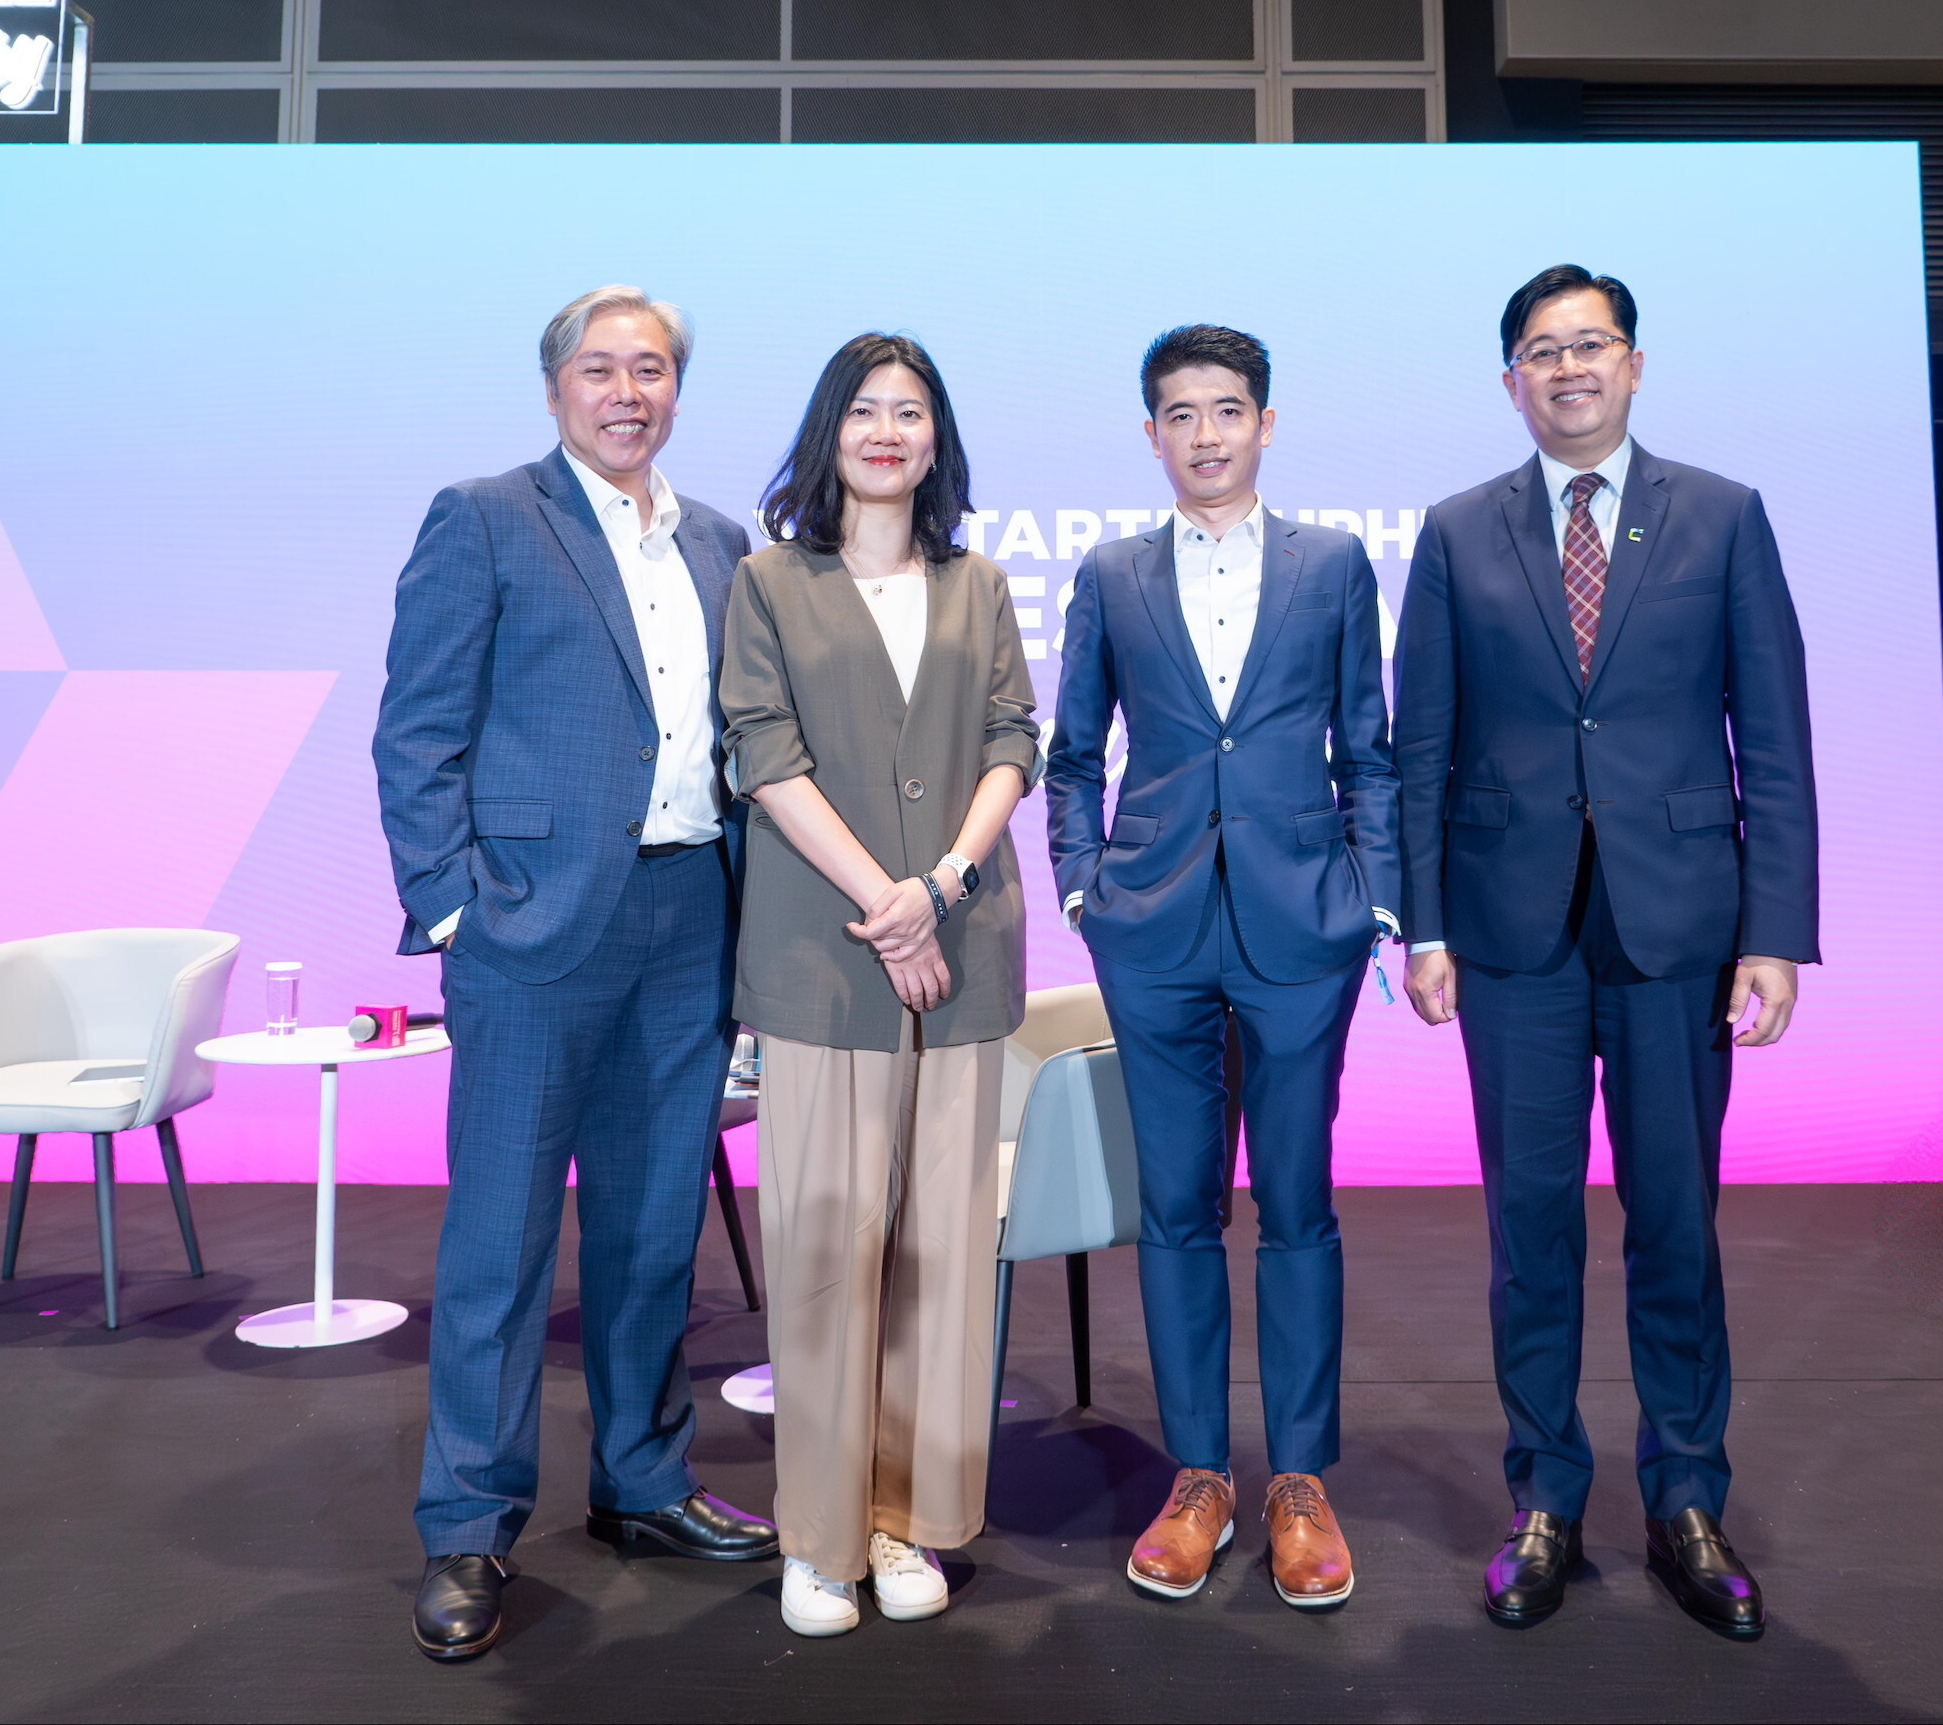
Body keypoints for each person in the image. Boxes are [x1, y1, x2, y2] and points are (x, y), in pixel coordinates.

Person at [1393, 265, 1818, 1637]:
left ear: (1633, 364)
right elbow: (1420, 748)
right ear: (1509, 380)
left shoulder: (1723, 515)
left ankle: (1687, 1497)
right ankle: (1544, 1498)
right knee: (1528, 1231)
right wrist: (1424, 923)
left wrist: (1776, 934)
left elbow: (1776, 739)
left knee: (1675, 1223)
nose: (1567, 367)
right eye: (1541, 349)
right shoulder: (1457, 531)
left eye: (1590, 344)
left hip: (1677, 929)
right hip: (1509, 936)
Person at [374, 285, 777, 1664]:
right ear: (555, 390)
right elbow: (416, 730)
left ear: (677, 390)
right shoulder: (485, 516)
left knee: (654, 1228)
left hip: (689, 917)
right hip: (530, 931)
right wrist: (450, 912)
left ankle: (644, 1481)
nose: (625, 392)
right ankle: (470, 1522)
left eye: (649, 369)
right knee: (500, 1244)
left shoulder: (719, 540)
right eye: (599, 369)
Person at [1046, 325, 1400, 1610]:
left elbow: (1368, 749)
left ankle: (1298, 1479)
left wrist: (1373, 899)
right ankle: (1197, 1475)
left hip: (1303, 926)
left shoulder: (1332, 564)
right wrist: (1083, 887)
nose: (1206, 434)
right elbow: (1071, 754)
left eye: (1228, 409)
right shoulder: (1109, 573)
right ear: (1151, 434)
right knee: (1176, 1207)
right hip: (1152, 928)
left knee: (1297, 1202)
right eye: (1181, 414)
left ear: (1265, 423)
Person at [720, 333, 1039, 1639]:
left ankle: (908, 1520)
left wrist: (942, 886)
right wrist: (887, 903)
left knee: (940, 1258)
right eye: (864, 409)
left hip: (962, 953)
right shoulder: (767, 582)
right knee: (824, 1254)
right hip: (824, 958)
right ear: (828, 431)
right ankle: (819, 1537)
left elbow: (1012, 739)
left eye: (910, 411)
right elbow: (762, 754)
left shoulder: (979, 583)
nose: (887, 431)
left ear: (935, 438)